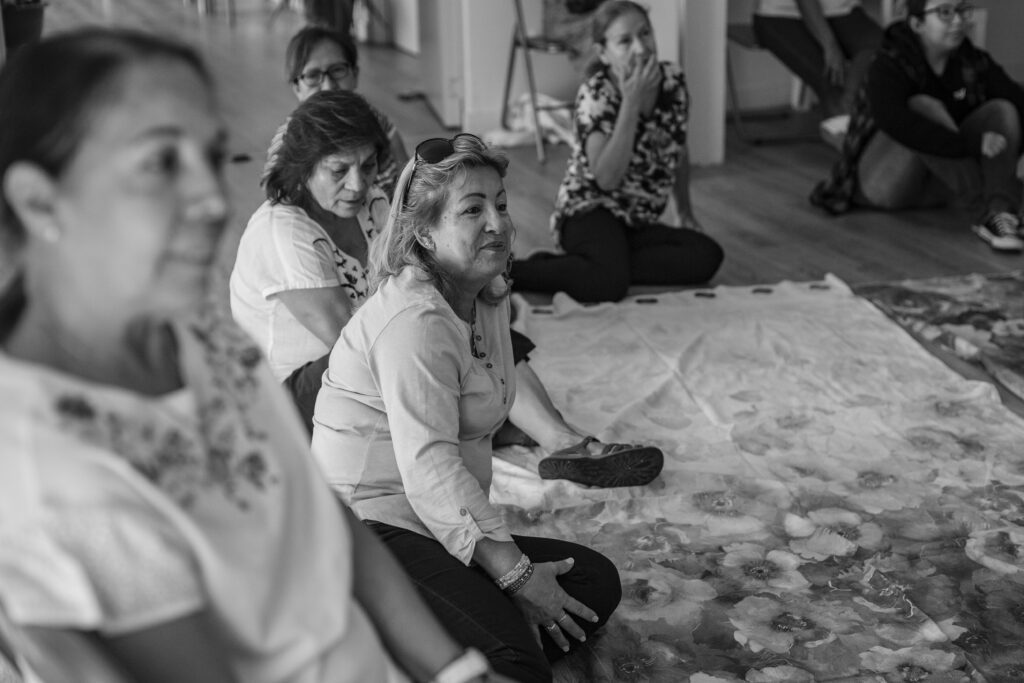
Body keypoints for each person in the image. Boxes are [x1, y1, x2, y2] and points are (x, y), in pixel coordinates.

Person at [0, 28, 510, 683]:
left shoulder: (200, 339)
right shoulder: (44, 465)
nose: (214, 200)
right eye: (159, 163)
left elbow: (323, 518)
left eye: (211, 156)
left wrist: (453, 669)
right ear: (40, 202)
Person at [232, 89, 665, 488]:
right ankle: (506, 426)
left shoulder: (371, 205)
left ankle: (562, 442)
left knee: (468, 319)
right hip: (298, 399)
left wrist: (475, 298)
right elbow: (352, 347)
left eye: (366, 166)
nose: (358, 184)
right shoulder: (281, 230)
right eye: (338, 170)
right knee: (438, 338)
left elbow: (417, 271)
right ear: (303, 166)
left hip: (369, 363)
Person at [310, 133, 622, 683]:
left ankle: (421, 646)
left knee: (594, 585)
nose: (498, 223)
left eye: (500, 204)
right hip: (367, 528)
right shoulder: (416, 320)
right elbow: (430, 467)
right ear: (425, 233)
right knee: (518, 664)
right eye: (473, 210)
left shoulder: (486, 292)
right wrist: (519, 579)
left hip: (431, 525)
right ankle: (380, 641)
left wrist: (516, 581)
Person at [509, 1, 724, 304]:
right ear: (603, 53)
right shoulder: (596, 94)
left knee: (706, 255)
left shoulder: (673, 82)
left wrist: (684, 211)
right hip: (590, 210)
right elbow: (606, 179)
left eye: (645, 34)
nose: (641, 48)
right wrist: (631, 103)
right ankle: (512, 272)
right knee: (609, 286)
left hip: (637, 220)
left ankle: (588, 265)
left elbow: (678, 148)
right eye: (625, 41)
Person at [810, 0, 1024, 252]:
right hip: (883, 185)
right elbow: (898, 123)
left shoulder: (973, 62)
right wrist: (971, 144)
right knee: (923, 106)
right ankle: (984, 212)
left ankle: (1002, 211)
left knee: (1002, 110)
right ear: (917, 23)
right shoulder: (889, 63)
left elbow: (1016, 100)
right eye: (945, 13)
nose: (957, 21)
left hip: (939, 185)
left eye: (962, 11)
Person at [262, 26, 408, 198]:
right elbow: (278, 196)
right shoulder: (289, 140)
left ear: (355, 74)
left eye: (337, 70)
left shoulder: (370, 115)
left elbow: (402, 160)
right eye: (312, 75)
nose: (328, 86)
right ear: (296, 88)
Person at [752, 0, 883, 119]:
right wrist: (830, 46)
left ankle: (849, 112)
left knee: (887, 52)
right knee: (831, 83)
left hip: (843, 11)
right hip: (781, 15)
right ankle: (845, 122)